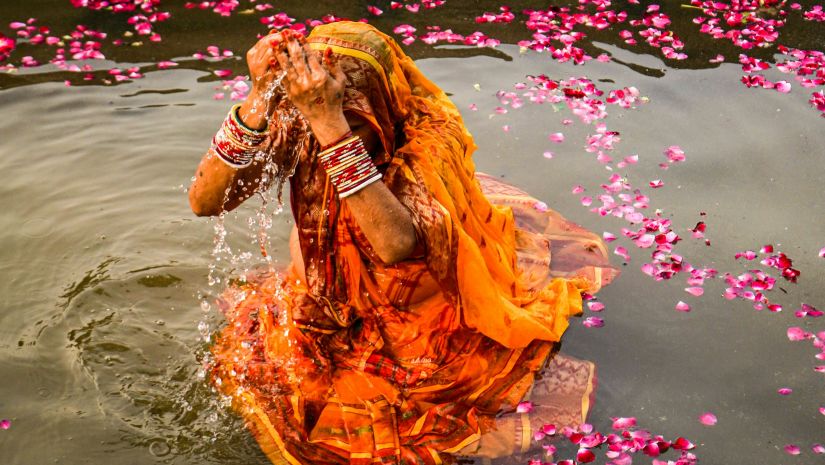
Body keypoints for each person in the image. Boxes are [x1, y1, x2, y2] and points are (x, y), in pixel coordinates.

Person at [189, 21, 617, 465]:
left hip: (416, 320)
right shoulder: (301, 123)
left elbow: (395, 243)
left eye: (353, 116)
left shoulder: (427, 140)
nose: (321, 130)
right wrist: (259, 100)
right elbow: (205, 202)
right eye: (318, 111)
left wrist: (329, 122)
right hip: (328, 295)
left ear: (383, 107)